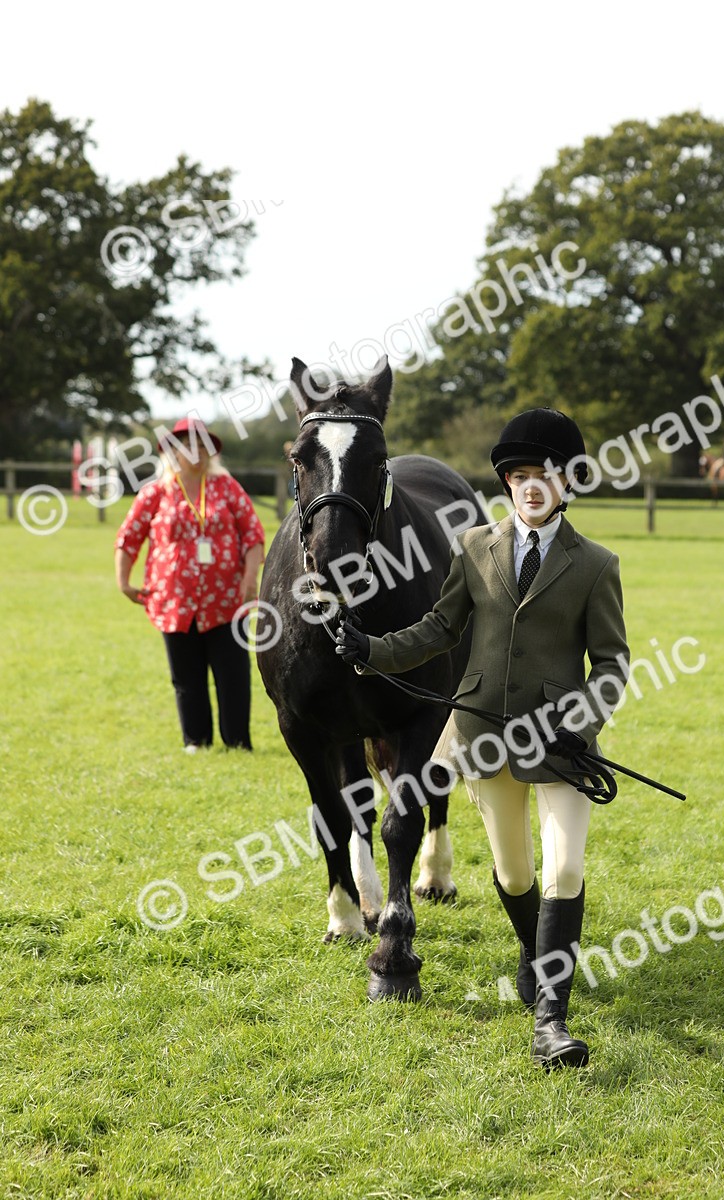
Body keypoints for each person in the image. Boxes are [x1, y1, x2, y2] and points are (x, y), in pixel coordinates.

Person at [336, 409, 629, 1069]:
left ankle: (550, 1022)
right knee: (513, 873)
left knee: (566, 869)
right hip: (484, 741)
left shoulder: (597, 566)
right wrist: (371, 650)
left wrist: (581, 719)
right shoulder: (473, 547)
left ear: (568, 484)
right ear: (507, 483)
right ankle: (536, 954)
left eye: (544, 476)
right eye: (520, 476)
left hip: (562, 748)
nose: (531, 487)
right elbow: (438, 629)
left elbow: (613, 665)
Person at [114, 417, 265, 753]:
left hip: (228, 599)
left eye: (201, 445)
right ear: (172, 451)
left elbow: (253, 534)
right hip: (175, 601)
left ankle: (237, 742)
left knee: (233, 676)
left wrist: (250, 579)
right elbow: (128, 537)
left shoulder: (227, 488)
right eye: (187, 445)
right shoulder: (155, 493)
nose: (195, 452)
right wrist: (123, 582)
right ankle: (195, 741)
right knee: (186, 677)